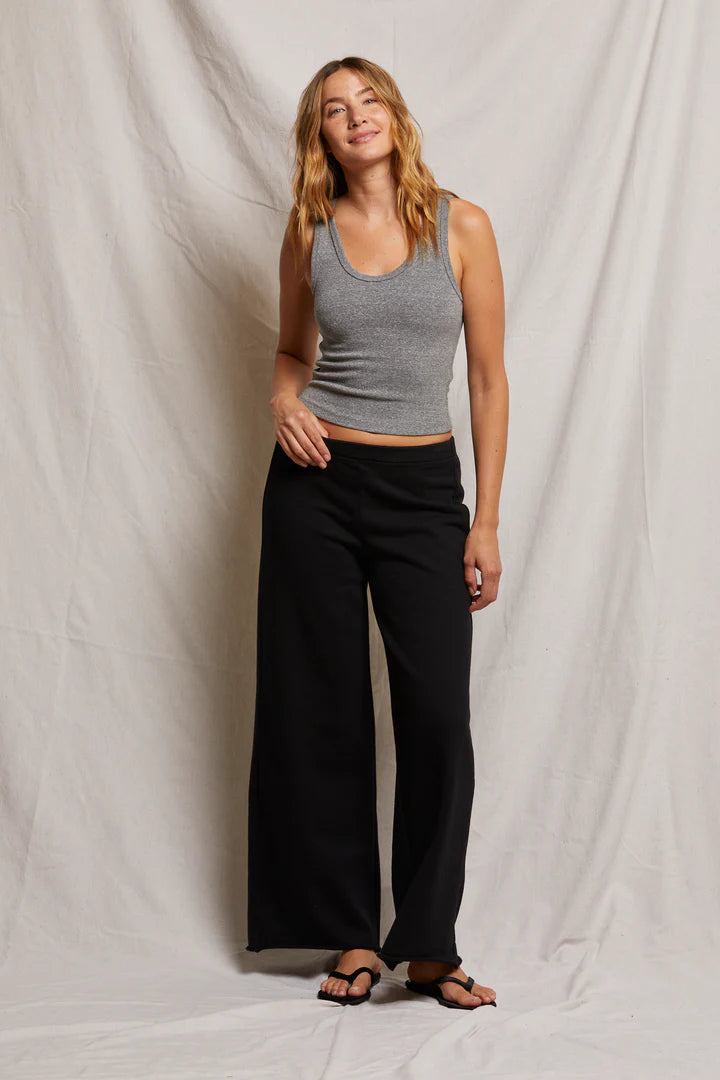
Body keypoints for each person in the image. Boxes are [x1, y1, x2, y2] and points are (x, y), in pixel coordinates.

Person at [246, 56, 507, 1011]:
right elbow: (289, 351)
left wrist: (484, 519)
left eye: (367, 101)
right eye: (332, 111)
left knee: (438, 711)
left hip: (422, 488)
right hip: (314, 485)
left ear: (395, 114)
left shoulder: (461, 225)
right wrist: (283, 399)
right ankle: (351, 936)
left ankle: (429, 943)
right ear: (320, 136)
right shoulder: (309, 227)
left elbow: (487, 379)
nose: (354, 118)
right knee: (321, 712)